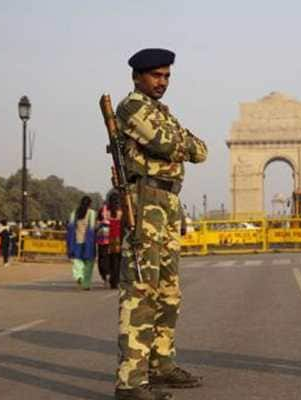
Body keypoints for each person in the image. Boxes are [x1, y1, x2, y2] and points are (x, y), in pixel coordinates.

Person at [113, 48, 208, 400]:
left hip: (168, 201)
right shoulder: (132, 108)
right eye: (156, 75)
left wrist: (178, 146)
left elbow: (202, 151)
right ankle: (131, 382)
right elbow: (166, 142)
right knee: (141, 291)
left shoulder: (160, 112)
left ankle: (161, 365)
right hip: (145, 201)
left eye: (167, 76)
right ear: (138, 76)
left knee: (168, 291)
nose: (162, 82)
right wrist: (179, 145)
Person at [67, 196, 97, 290]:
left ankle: (79, 276)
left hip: (76, 240)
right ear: (90, 204)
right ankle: (86, 284)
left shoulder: (74, 213)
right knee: (89, 263)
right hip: (88, 242)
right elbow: (92, 229)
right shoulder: (92, 213)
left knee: (77, 261)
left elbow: (70, 228)